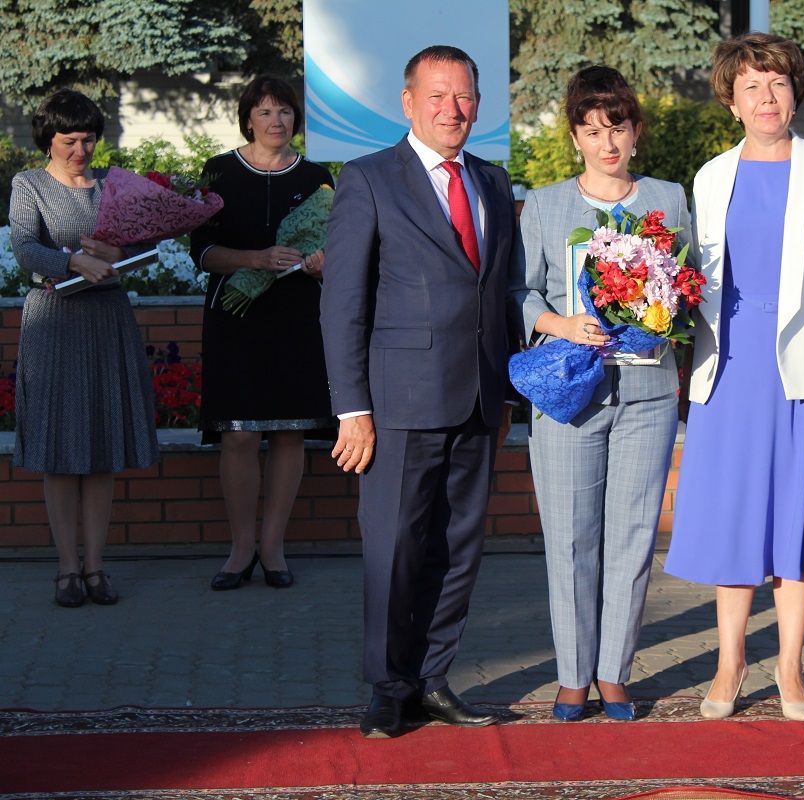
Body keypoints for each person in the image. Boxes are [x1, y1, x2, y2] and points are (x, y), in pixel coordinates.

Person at [664, 33, 804, 721]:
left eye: (778, 84)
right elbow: (694, 281)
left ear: (795, 94)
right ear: (730, 99)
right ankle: (730, 663)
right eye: (751, 86)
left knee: (794, 519)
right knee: (733, 519)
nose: (766, 97)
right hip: (726, 371)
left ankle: (789, 665)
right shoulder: (710, 176)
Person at [321, 45, 517, 738]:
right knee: (395, 549)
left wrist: (510, 391)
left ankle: (434, 679)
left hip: (478, 401)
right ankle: (386, 687)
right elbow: (343, 302)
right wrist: (353, 408)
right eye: (437, 95)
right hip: (398, 405)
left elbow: (504, 293)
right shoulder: (369, 179)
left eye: (464, 97)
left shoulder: (493, 183)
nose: (452, 109)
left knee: (458, 549)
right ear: (408, 102)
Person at [509, 66, 690, 722]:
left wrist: (666, 310)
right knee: (571, 535)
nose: (605, 142)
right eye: (591, 131)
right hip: (568, 393)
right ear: (575, 137)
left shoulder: (667, 198)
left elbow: (687, 288)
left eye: (616, 127)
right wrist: (560, 322)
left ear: (636, 131)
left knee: (634, 534)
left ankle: (614, 672)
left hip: (646, 387)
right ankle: (571, 676)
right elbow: (520, 291)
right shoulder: (548, 205)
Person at [9, 89, 159, 607]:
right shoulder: (27, 184)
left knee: (101, 446)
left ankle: (96, 568)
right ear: (48, 139)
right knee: (59, 449)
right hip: (54, 322)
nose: (81, 149)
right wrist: (74, 262)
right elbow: (25, 246)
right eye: (70, 140)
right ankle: (66, 569)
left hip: (106, 320)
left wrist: (118, 252)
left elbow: (143, 244)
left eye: (89, 139)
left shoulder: (112, 185)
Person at [190, 76, 335, 591]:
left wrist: (322, 263)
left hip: (296, 317)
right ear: (247, 117)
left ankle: (273, 547)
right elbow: (202, 252)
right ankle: (240, 548)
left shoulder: (319, 178)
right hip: (236, 317)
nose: (277, 121)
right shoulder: (220, 173)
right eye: (266, 112)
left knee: (289, 431)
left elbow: (336, 249)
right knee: (241, 434)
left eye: (285, 112)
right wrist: (254, 259)